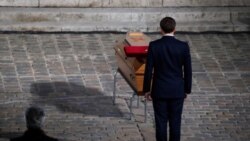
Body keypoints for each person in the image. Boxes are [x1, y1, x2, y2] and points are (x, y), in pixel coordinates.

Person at [143, 17, 192, 141]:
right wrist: (187, 90)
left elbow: (148, 70)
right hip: (177, 91)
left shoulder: (154, 46)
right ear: (175, 29)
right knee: (175, 124)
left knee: (160, 124)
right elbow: (188, 71)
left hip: (159, 90)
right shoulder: (183, 46)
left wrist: (146, 90)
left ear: (161, 30)